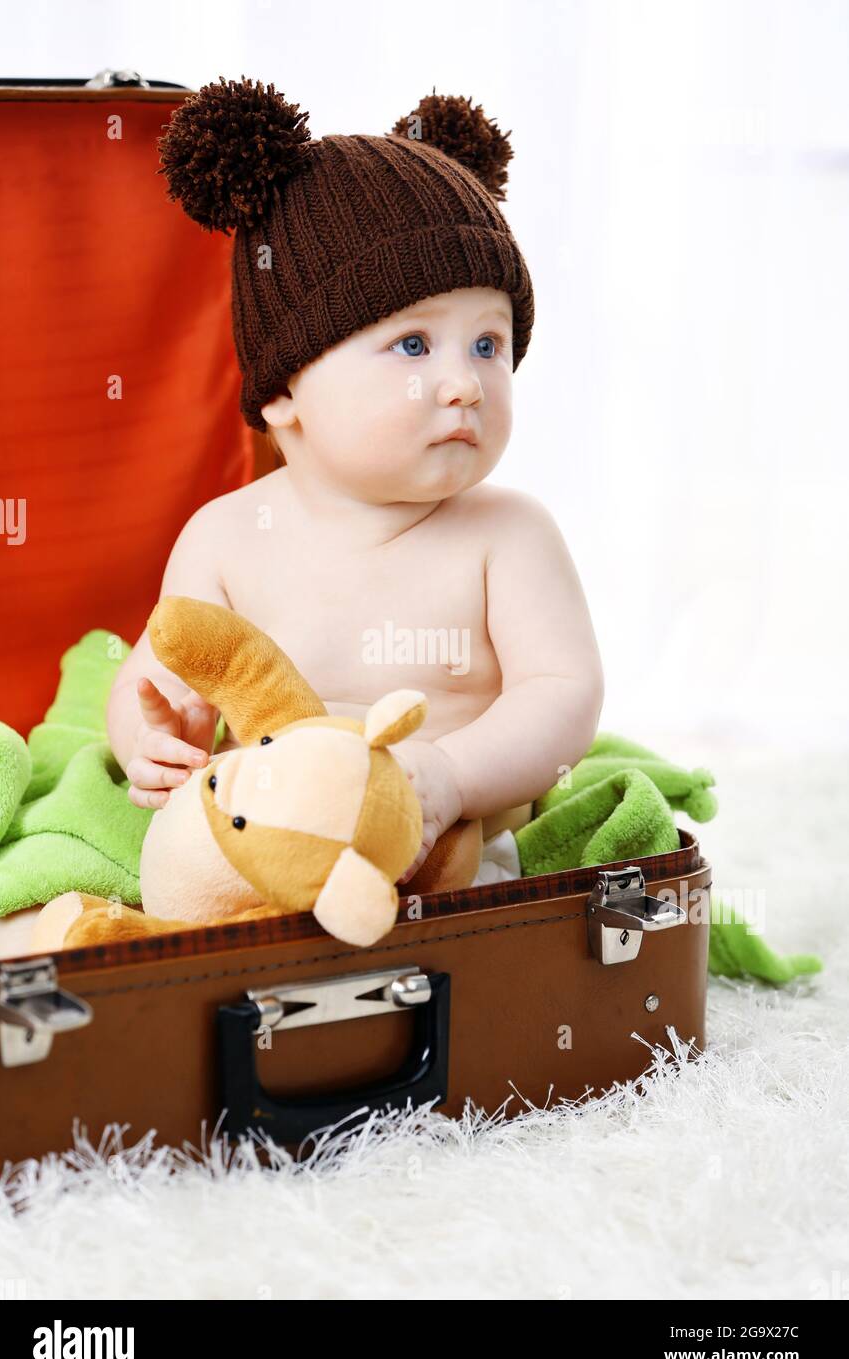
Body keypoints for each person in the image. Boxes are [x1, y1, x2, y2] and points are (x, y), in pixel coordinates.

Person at [106, 78, 604, 886]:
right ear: (283, 391)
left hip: (450, 839)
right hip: (269, 836)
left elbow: (563, 693)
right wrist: (153, 737)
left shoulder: (508, 536)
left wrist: (452, 776)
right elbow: (153, 677)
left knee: (494, 890)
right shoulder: (227, 538)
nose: (466, 384)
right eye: (414, 347)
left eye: (488, 343)